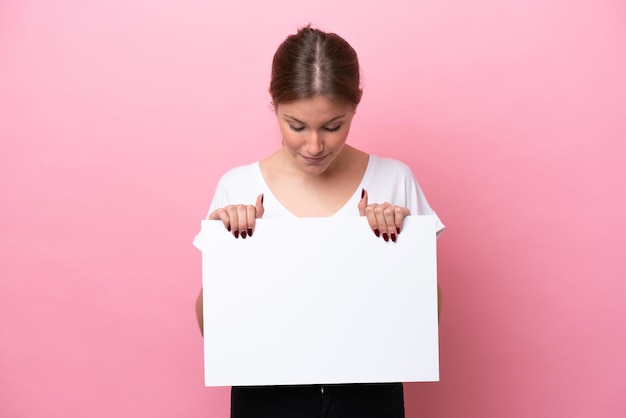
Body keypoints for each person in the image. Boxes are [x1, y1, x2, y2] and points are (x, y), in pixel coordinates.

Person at [194, 25, 444, 418]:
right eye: (296, 126)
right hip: (267, 400)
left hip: (369, 398)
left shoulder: (394, 180)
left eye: (332, 126)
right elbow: (213, 329)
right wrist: (230, 252)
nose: (314, 146)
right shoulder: (238, 186)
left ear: (355, 108)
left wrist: (396, 248)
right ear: (274, 104)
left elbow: (426, 320)